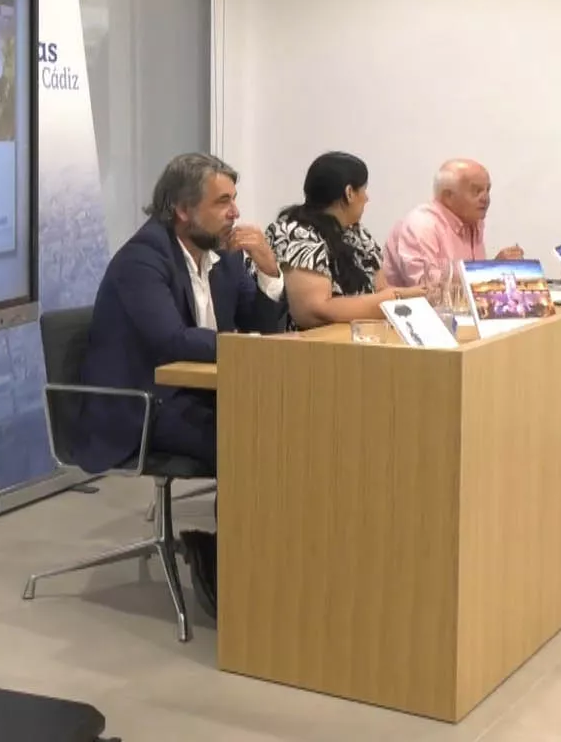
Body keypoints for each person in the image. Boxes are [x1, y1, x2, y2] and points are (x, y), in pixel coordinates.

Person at [78, 153, 289, 617]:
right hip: (142, 405)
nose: (235, 212)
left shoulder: (224, 257)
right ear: (182, 209)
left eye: (234, 200)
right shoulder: (143, 258)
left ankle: (275, 567)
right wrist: (243, 344)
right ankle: (226, 568)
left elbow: (263, 328)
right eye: (222, 202)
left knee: (286, 428)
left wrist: (271, 273)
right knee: (246, 441)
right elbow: (170, 338)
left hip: (195, 393)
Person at [265, 151, 423, 331]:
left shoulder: (357, 232)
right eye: (363, 190)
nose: (367, 198)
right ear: (349, 193)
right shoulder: (297, 234)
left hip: (364, 339)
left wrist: (416, 295)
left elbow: (380, 290)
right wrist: (393, 299)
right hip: (315, 347)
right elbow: (314, 311)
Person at [382, 159, 524, 288]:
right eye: (477, 191)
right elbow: (429, 288)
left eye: (488, 190)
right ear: (448, 196)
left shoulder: (474, 221)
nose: (485, 198)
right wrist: (491, 271)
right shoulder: (422, 225)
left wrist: (497, 268)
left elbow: (471, 286)